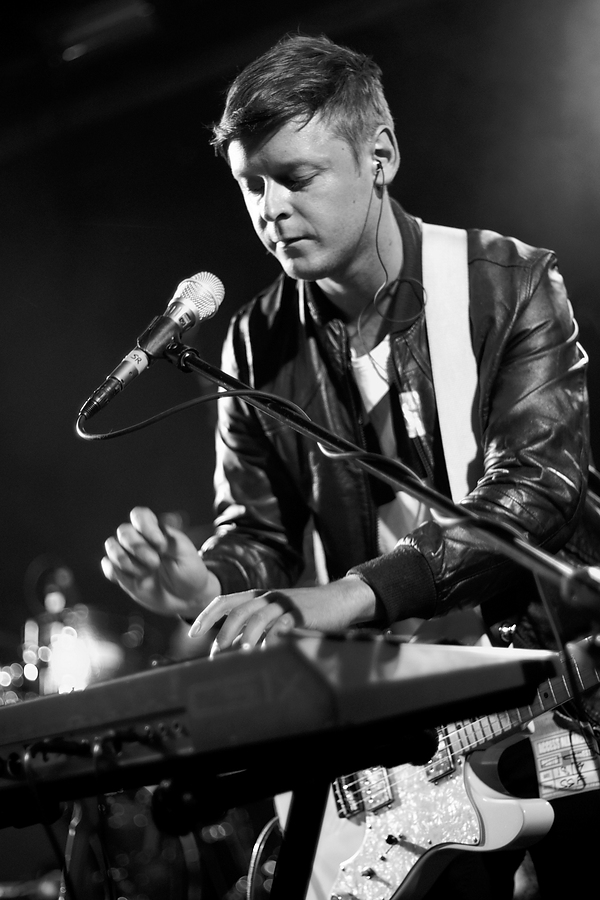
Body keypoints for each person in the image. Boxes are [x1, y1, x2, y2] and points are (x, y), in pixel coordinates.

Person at [101, 33, 600, 899]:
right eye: (251, 186)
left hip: (556, 690)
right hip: (403, 740)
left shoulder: (507, 284)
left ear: (381, 156)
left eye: (296, 178)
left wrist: (349, 597)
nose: (270, 210)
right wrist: (202, 583)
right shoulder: (254, 342)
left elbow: (534, 495)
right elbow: (255, 536)